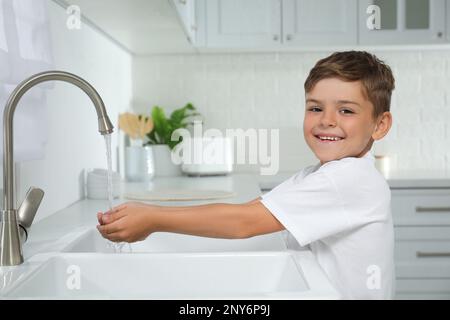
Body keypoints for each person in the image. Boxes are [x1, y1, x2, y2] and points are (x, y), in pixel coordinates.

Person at [97, 51, 395, 300]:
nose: (327, 120)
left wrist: (154, 219)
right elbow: (257, 210)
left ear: (380, 125)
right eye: (315, 108)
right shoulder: (321, 173)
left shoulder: (348, 179)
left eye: (346, 111)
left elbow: (244, 222)